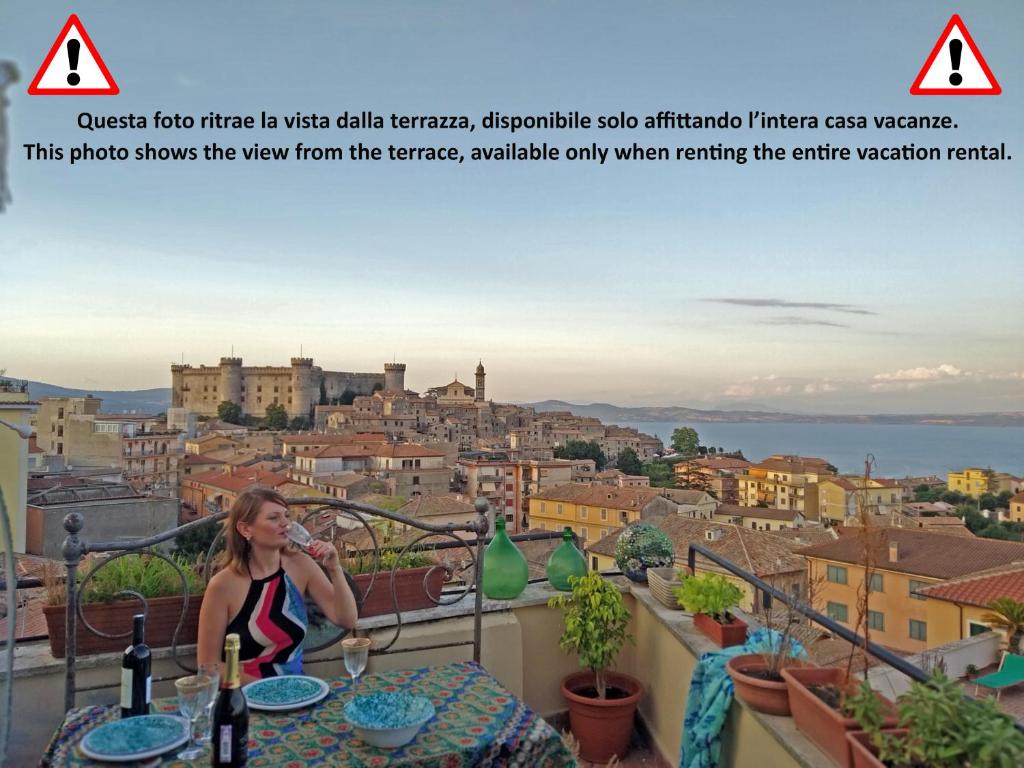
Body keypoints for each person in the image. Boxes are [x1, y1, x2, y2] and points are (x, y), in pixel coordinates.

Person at [197, 487, 359, 682]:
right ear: (245, 529)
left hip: (297, 690)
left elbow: (346, 619)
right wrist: (268, 689)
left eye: (287, 516)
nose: (286, 524)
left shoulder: (301, 565)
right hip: (244, 696)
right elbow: (208, 665)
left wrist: (335, 569)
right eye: (274, 518)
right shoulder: (223, 585)